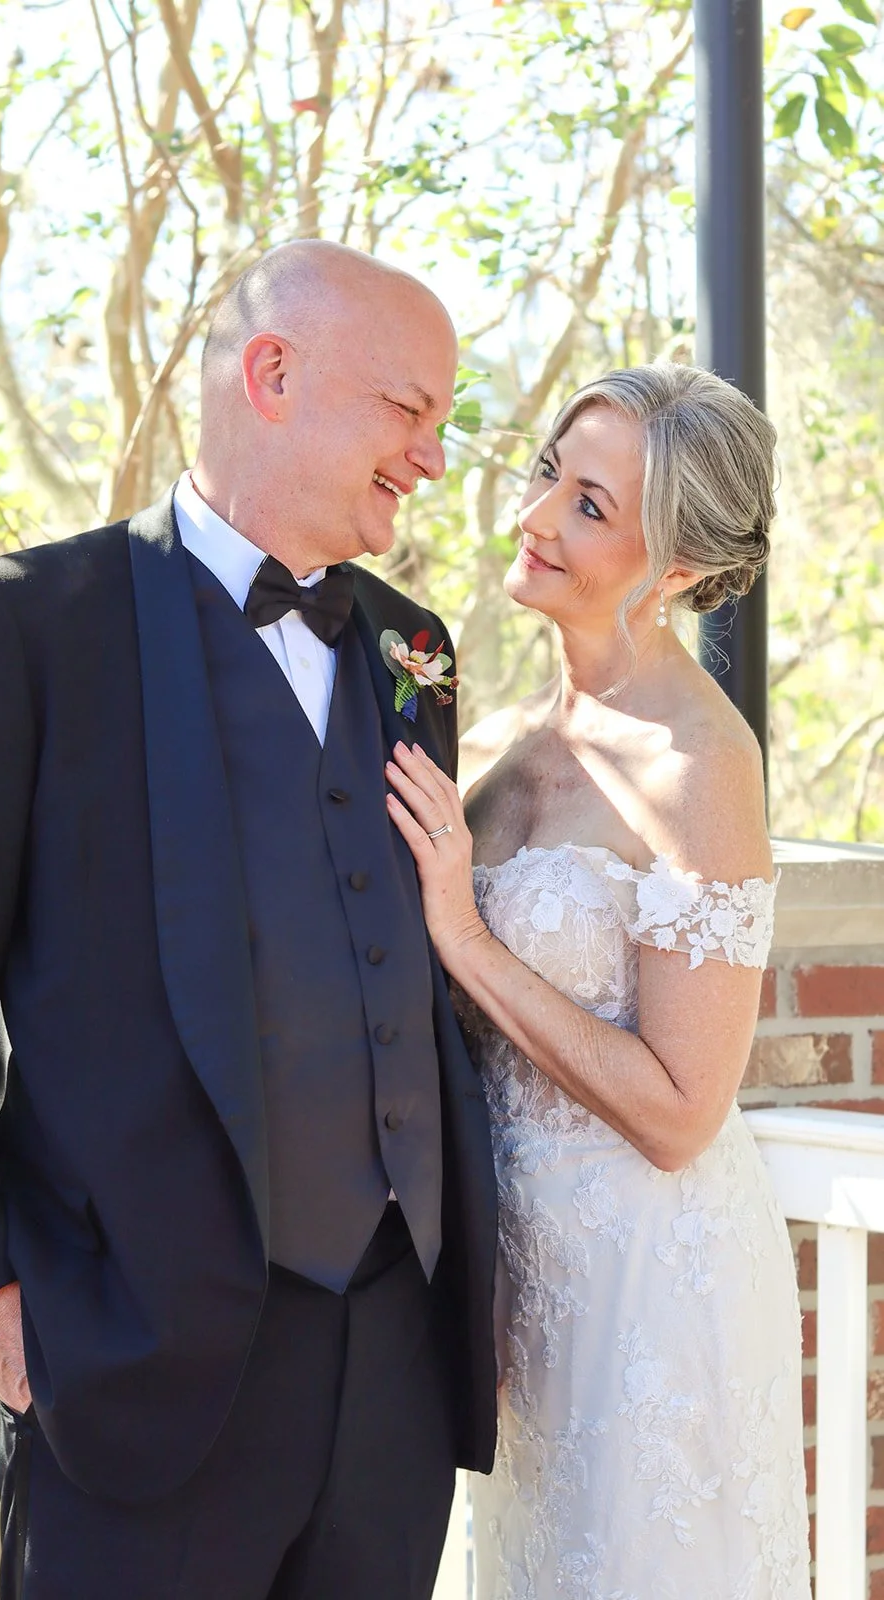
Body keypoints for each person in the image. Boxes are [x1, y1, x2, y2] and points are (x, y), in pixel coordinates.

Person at [0, 240, 498, 1600]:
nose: (432, 456)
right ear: (272, 372)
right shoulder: (23, 629)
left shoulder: (409, 645)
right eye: (408, 409)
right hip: (129, 1371)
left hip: (390, 1383)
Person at [386, 362, 812, 1599]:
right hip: (522, 1280)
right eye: (545, 476)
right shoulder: (517, 727)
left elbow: (683, 1109)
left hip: (646, 1288)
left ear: (675, 568)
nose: (533, 517)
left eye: (588, 505)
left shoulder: (697, 764)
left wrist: (464, 936)